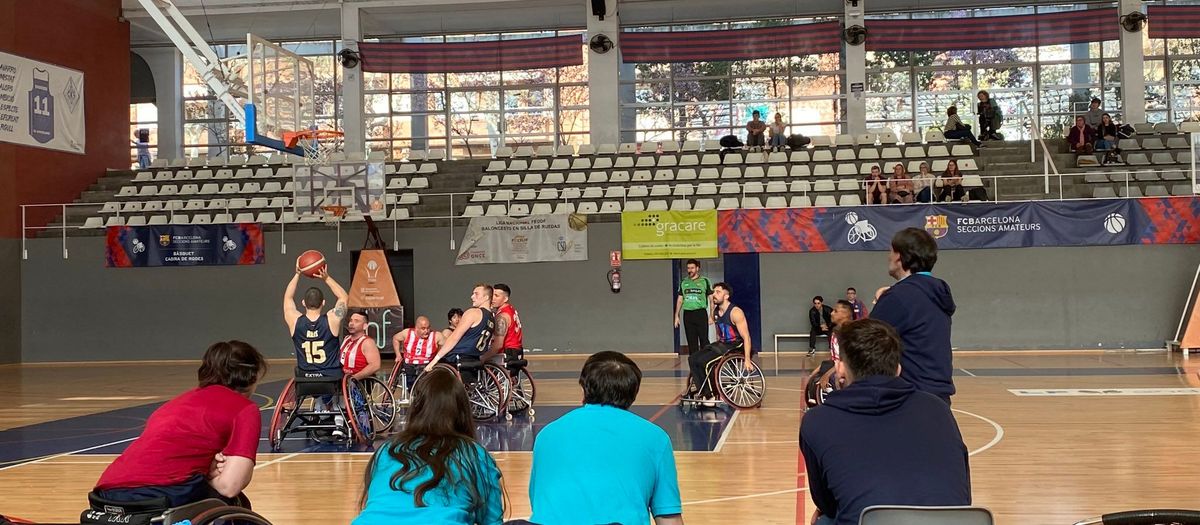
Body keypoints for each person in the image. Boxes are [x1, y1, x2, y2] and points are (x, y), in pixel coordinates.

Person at [800, 319, 971, 525]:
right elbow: (963, 495)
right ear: (898, 369)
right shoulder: (938, 408)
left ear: (840, 369)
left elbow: (827, 503)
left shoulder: (816, 422)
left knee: (824, 520)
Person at [94, 341, 267, 508]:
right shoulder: (244, 408)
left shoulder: (172, 405)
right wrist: (209, 477)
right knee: (236, 504)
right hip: (158, 493)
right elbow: (230, 487)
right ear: (252, 376)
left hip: (106, 492)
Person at [529, 352, 683, 525]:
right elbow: (669, 519)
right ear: (634, 394)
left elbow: (539, 505)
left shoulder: (546, 435)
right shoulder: (656, 438)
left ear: (583, 389)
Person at [355, 367, 504, 525]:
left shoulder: (387, 450)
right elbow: (492, 520)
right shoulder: (474, 454)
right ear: (462, 412)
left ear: (416, 409)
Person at [871, 228, 957, 405]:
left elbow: (862, 341)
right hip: (938, 396)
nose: (888, 257)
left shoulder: (900, 296)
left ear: (899, 257)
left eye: (891, 251)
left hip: (910, 396)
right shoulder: (935, 291)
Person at [686, 282, 753, 404]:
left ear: (726, 296)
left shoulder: (736, 312)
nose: (714, 295)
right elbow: (719, 333)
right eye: (714, 292)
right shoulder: (715, 312)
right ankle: (703, 391)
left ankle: (710, 396)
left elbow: (746, 337)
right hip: (722, 344)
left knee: (705, 362)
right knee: (693, 358)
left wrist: (747, 360)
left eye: (718, 292)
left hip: (735, 345)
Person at [284, 265, 349, 379]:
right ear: (323, 302)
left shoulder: (294, 320)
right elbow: (344, 297)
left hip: (305, 378)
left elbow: (288, 298)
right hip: (330, 378)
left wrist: (297, 274)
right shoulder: (332, 319)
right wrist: (326, 278)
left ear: (303, 303)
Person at [425, 284, 495, 373]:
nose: (472, 297)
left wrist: (435, 360)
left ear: (486, 297)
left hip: (457, 358)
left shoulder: (473, 313)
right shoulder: (492, 318)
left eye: (476, 294)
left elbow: (454, 337)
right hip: (475, 359)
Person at [674, 259, 713, 357]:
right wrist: (676, 316)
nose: (690, 270)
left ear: (697, 268)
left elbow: (711, 300)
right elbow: (680, 300)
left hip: (700, 313)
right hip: (688, 314)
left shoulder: (705, 281)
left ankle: (706, 361)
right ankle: (694, 364)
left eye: (692, 268)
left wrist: (711, 315)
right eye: (688, 268)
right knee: (691, 341)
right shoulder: (684, 282)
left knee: (704, 340)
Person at [393, 316, 444, 390]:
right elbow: (395, 338)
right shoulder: (407, 333)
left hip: (427, 365)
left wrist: (437, 358)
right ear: (416, 328)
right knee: (411, 383)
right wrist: (398, 355)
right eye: (423, 328)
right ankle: (412, 391)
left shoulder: (436, 335)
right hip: (409, 364)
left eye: (428, 328)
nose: (426, 331)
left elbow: (446, 345)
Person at [341, 310, 382, 381]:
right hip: (343, 380)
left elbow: (375, 365)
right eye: (351, 320)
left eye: (356, 321)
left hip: (360, 382)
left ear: (365, 326)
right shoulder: (346, 339)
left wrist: (354, 378)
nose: (351, 323)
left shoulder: (367, 342)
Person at [491, 283, 524, 363]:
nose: (492, 298)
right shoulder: (511, 310)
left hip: (507, 353)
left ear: (505, 299)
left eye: (496, 296)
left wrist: (483, 358)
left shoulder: (502, 316)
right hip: (517, 351)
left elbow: (498, 345)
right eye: (492, 295)